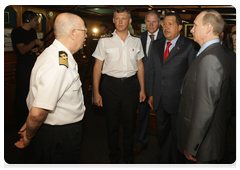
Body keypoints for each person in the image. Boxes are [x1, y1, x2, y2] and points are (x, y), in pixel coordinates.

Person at [14, 13, 87, 168]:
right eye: (84, 31)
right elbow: (37, 113)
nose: (86, 35)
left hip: (54, 131)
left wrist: (31, 123)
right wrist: (28, 135)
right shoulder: (59, 64)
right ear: (73, 33)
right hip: (59, 136)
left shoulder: (53, 54)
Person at [92, 7, 146, 168]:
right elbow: (97, 67)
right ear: (113, 21)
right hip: (110, 86)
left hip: (131, 86)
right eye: (117, 18)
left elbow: (140, 64)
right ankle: (114, 157)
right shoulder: (104, 41)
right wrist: (96, 92)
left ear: (129, 21)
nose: (120, 21)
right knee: (112, 125)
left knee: (130, 125)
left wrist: (142, 88)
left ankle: (129, 157)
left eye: (124, 18)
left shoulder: (136, 41)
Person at [177, 10, 230, 168]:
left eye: (195, 25)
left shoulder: (210, 59)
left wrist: (192, 146)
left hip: (203, 146)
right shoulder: (212, 53)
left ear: (208, 28)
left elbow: (205, 109)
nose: (191, 29)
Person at [146, 12, 198, 168]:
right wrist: (150, 93)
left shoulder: (189, 46)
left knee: (177, 136)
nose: (165, 27)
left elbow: (192, 78)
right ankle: (163, 160)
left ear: (180, 27)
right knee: (162, 133)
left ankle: (177, 163)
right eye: (164, 24)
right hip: (159, 99)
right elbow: (152, 71)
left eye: (170, 24)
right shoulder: (156, 45)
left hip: (179, 101)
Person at [134, 10, 163, 155]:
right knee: (142, 116)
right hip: (142, 86)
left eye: (154, 22)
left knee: (162, 119)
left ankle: (163, 149)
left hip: (160, 86)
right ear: (145, 23)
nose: (151, 25)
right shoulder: (138, 38)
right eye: (148, 22)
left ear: (159, 23)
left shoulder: (167, 37)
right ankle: (141, 142)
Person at [11, 10, 42, 129]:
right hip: (23, 69)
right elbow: (22, 50)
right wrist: (33, 43)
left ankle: (30, 122)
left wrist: (33, 48)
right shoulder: (17, 32)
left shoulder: (33, 31)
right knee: (22, 96)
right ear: (28, 20)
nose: (37, 22)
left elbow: (29, 49)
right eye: (35, 20)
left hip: (33, 67)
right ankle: (20, 124)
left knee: (32, 95)